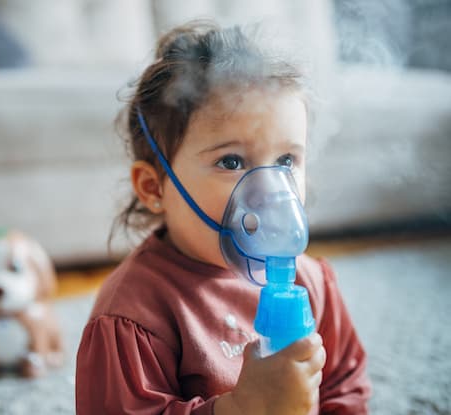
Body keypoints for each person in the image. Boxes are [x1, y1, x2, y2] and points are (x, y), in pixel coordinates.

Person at [75, 20, 371, 415]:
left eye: (286, 160)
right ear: (153, 187)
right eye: (231, 161)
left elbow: (345, 386)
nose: (269, 191)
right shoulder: (133, 315)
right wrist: (241, 407)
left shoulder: (311, 281)